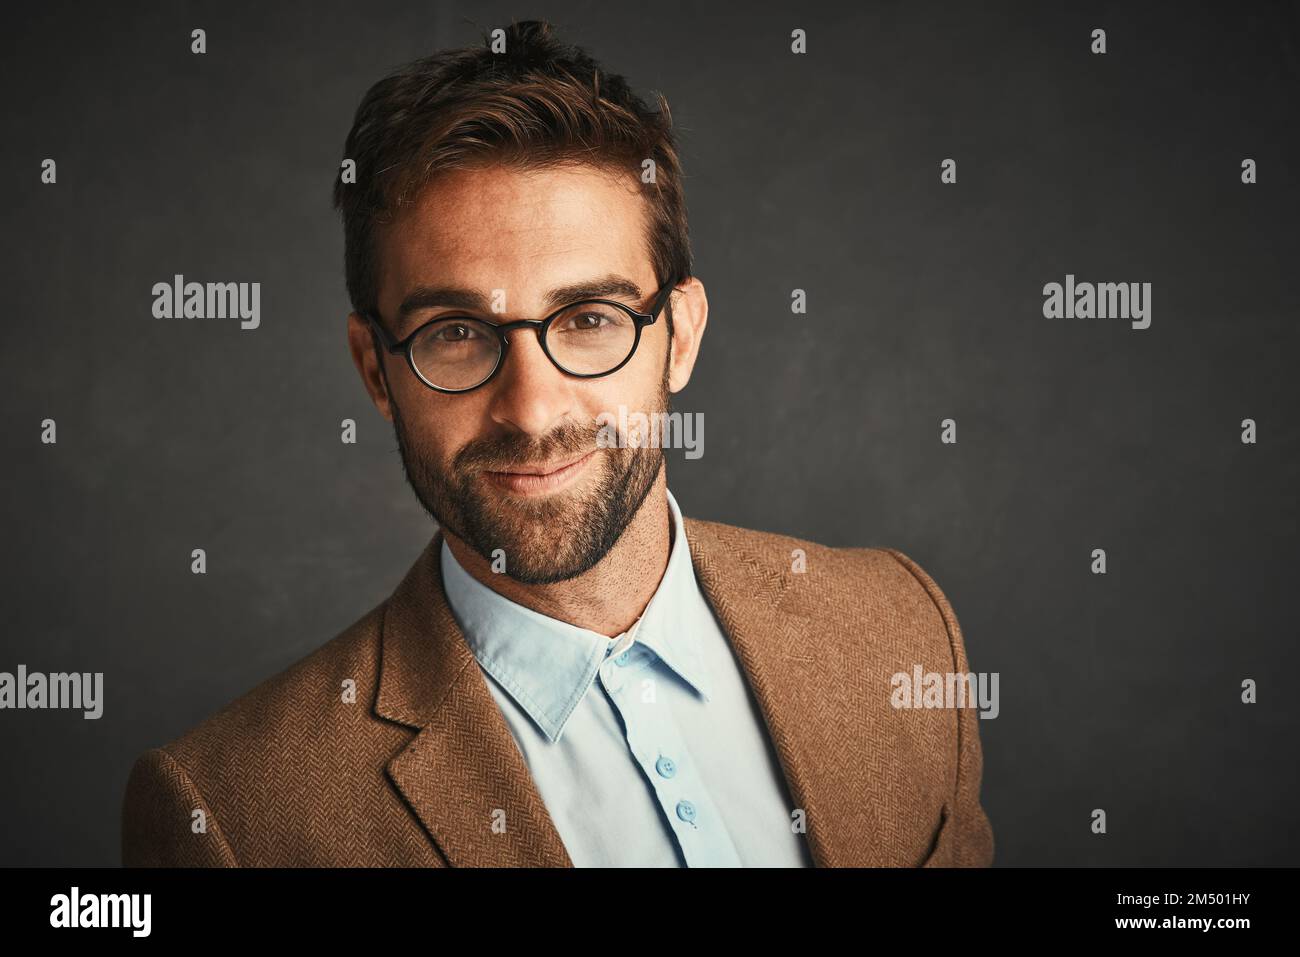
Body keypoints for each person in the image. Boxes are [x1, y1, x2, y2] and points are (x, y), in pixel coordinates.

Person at [121, 19, 993, 868]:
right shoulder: (231, 818)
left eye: (589, 319)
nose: (532, 412)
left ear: (680, 336)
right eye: (456, 332)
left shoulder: (901, 631)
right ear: (376, 371)